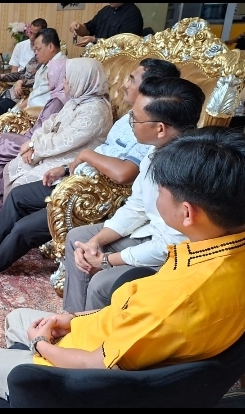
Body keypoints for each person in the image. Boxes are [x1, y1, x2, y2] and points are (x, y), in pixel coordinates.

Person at [0, 125, 245, 408]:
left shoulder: (178, 297)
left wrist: (41, 345)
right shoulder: (218, 256)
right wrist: (74, 318)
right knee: (16, 319)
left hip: (83, 374)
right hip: (113, 337)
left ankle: (26, 393)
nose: (154, 197)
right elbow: (132, 316)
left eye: (160, 191)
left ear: (187, 213)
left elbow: (96, 365)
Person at [0, 58, 180, 272]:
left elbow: (123, 173)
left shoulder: (148, 128)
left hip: (92, 194)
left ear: (151, 88)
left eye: (131, 79)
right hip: (78, 177)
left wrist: (86, 156)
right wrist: (65, 168)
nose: (124, 84)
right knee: (18, 196)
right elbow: (96, 147)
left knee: (25, 226)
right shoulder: (128, 117)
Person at [62, 77, 205, 312]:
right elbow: (136, 206)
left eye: (135, 119)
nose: (131, 124)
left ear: (160, 128)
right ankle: (73, 318)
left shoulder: (186, 171)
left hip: (175, 256)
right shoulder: (154, 151)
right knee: (80, 238)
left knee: (101, 283)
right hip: (150, 233)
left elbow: (169, 246)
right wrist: (96, 241)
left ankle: (90, 330)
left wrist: (106, 261)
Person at [0, 57, 113, 212]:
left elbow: (65, 140)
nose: (64, 81)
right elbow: (50, 123)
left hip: (71, 158)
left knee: (21, 181)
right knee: (14, 166)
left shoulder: (95, 110)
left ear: (82, 80)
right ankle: (6, 212)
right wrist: (33, 143)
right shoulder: (76, 100)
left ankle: (13, 216)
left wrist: (34, 146)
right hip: (54, 151)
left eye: (68, 77)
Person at [0, 27, 64, 166]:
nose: (35, 52)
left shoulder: (59, 67)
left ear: (50, 47)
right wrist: (18, 106)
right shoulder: (43, 64)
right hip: (20, 100)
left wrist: (20, 89)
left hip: (33, 110)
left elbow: (55, 102)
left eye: (38, 49)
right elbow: (35, 90)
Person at [70, 3, 144, 47]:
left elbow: (123, 43)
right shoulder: (106, 10)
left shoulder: (133, 13)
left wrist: (95, 40)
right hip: (97, 56)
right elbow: (88, 30)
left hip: (117, 60)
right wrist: (78, 27)